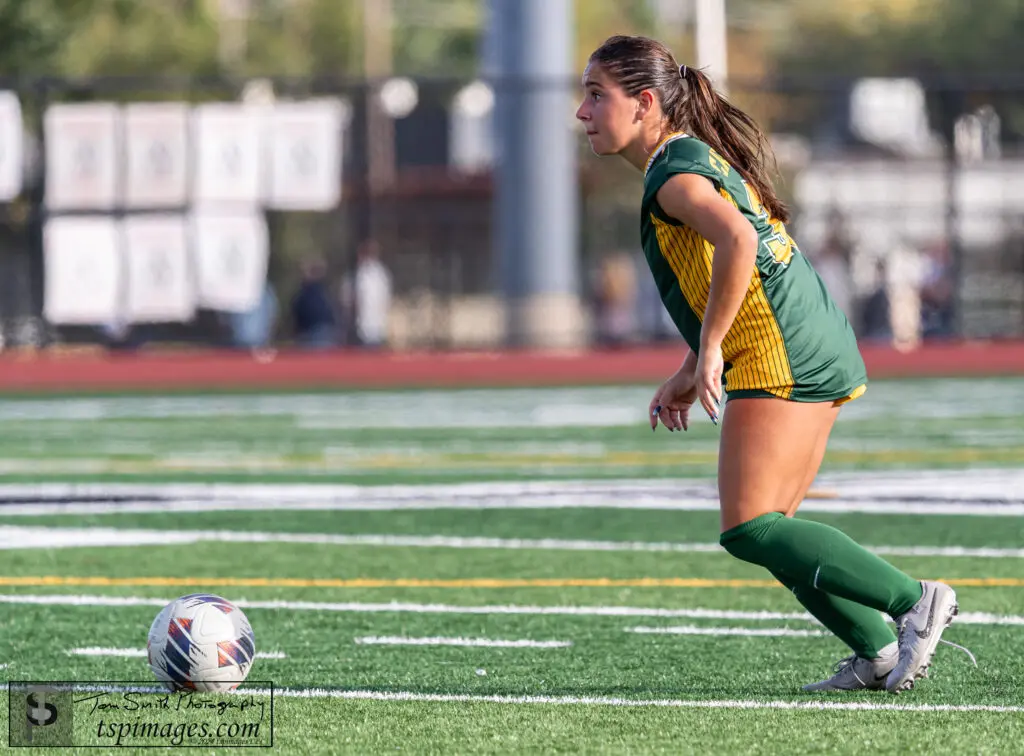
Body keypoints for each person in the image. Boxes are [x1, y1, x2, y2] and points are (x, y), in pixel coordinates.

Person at [575, 35, 968, 694]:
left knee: (751, 526)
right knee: (771, 527)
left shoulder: (673, 174)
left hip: (782, 347)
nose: (582, 112)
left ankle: (913, 601)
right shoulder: (683, 159)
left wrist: (708, 352)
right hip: (804, 335)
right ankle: (874, 649)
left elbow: (737, 240)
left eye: (595, 95)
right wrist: (690, 361)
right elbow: (724, 267)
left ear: (645, 103)